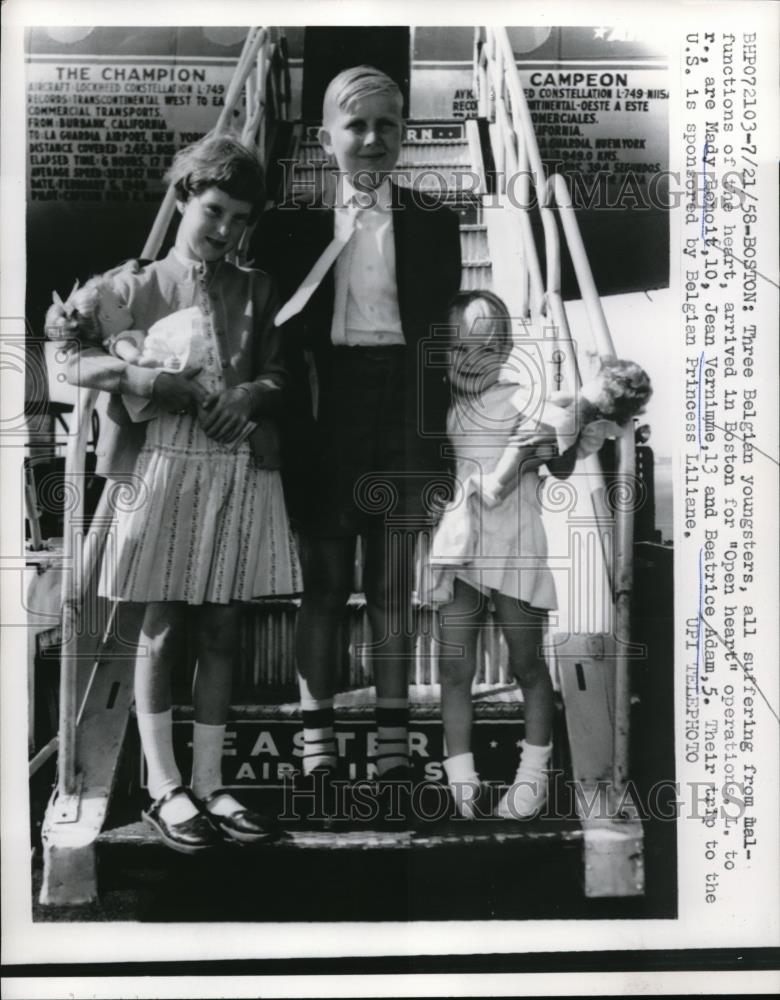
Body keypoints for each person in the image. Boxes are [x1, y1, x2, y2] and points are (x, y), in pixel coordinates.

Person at [61, 132, 301, 852]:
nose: (224, 230)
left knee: (224, 625)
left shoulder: (257, 288)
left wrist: (255, 395)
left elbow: (283, 374)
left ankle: (212, 781)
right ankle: (165, 786)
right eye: (214, 211)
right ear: (184, 201)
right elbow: (65, 354)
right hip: (163, 465)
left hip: (234, 471)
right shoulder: (128, 285)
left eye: (238, 219)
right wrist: (141, 380)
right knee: (163, 626)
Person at [252, 66, 461, 801]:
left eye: (389, 125)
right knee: (326, 583)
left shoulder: (435, 219)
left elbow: (443, 335)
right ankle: (317, 750)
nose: (373, 139)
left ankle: (394, 751)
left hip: (404, 403)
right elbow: (259, 326)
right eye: (357, 125)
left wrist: (442, 439)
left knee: (391, 587)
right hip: (326, 406)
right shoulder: (290, 224)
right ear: (324, 139)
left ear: (404, 134)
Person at [429, 291, 651, 820]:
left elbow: (562, 459)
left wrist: (548, 442)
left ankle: (532, 776)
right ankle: (462, 782)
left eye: (483, 350)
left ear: (505, 349)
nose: (467, 362)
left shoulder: (524, 399)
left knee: (526, 661)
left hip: (518, 542)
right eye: (458, 350)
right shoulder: (445, 403)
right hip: (463, 540)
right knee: (453, 665)